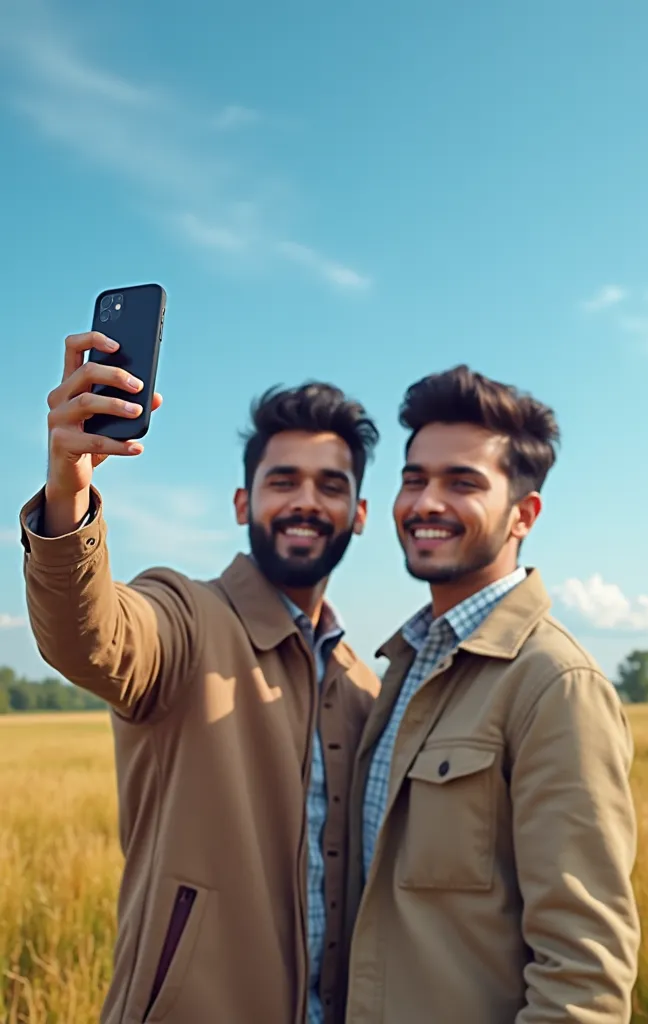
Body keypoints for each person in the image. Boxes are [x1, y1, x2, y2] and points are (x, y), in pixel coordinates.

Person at [19, 330, 380, 1024]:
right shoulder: (188, 618)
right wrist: (69, 490)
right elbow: (91, 636)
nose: (306, 501)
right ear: (242, 504)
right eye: (283, 481)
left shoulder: (362, 687)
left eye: (331, 485)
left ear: (357, 515)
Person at [344, 365, 640, 1023]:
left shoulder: (554, 685)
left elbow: (584, 975)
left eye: (463, 483)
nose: (426, 503)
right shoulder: (405, 666)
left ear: (523, 515)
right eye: (414, 478)